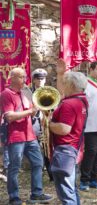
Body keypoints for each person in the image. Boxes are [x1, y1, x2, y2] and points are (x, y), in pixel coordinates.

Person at [57, 60, 97, 191]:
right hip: (91, 124)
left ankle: (94, 180)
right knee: (91, 152)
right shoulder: (86, 83)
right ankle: (84, 180)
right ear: (91, 70)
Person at [0, 68, 53, 205]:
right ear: (12, 78)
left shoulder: (25, 93)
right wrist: (30, 111)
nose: (25, 80)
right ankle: (14, 197)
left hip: (30, 136)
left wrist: (39, 110)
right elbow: (10, 116)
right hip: (16, 137)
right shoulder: (6, 94)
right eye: (21, 77)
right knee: (14, 167)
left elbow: (32, 113)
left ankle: (36, 193)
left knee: (38, 163)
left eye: (25, 77)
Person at [50, 71, 88, 205]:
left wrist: (49, 123)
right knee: (72, 189)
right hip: (75, 149)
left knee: (66, 192)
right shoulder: (82, 100)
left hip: (65, 151)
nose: (63, 86)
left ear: (71, 85)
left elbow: (64, 129)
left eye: (65, 83)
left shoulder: (69, 104)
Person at [30, 68, 53, 182]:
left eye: (42, 79)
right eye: (38, 79)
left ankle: (51, 175)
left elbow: (53, 108)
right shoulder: (29, 93)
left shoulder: (49, 92)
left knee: (47, 149)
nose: (40, 81)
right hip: (33, 124)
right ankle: (37, 172)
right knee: (35, 149)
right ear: (34, 80)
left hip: (46, 123)